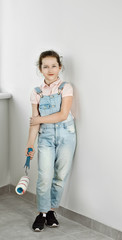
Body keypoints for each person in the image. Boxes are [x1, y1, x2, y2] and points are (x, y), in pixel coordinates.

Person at [26, 50, 76, 232]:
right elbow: (34, 123)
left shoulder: (66, 88)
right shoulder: (36, 92)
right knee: (44, 177)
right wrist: (29, 145)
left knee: (60, 176)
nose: (50, 69)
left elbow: (63, 115)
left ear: (59, 67)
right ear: (40, 69)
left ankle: (51, 211)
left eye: (53, 66)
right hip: (45, 137)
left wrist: (39, 119)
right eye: (45, 66)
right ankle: (41, 213)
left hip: (66, 135)